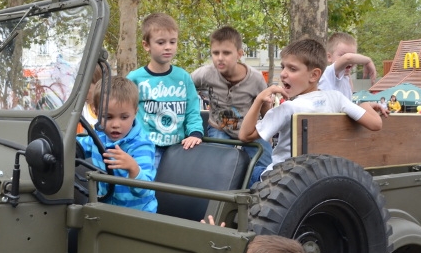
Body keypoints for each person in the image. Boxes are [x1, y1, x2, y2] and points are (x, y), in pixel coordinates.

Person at [239, 39, 383, 176]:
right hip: (320, 174)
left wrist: (258, 100)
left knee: (243, 170)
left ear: (314, 75)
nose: (283, 74)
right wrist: (365, 106)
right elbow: (376, 124)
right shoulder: (337, 98)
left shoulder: (288, 109)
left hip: (280, 178)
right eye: (283, 67)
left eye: (292, 69)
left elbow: (245, 136)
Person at [192, 26, 273, 184]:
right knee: (218, 167)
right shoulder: (204, 74)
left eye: (226, 53)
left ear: (239, 54)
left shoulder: (255, 79)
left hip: (249, 129)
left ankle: (254, 195)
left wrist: (266, 131)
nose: (220, 58)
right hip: (219, 127)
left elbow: (264, 107)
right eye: (215, 53)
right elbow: (186, 88)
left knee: (266, 169)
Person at [126, 13, 203, 167]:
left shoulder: (183, 77)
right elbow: (124, 111)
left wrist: (195, 133)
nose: (168, 47)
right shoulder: (135, 78)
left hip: (177, 146)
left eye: (172, 42)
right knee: (147, 185)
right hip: (145, 146)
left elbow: (192, 109)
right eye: (161, 42)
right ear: (146, 45)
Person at [76, 76, 157, 212]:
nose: (116, 125)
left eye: (124, 117)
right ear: (96, 112)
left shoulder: (141, 146)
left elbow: (144, 191)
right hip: (106, 211)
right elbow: (74, 146)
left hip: (138, 216)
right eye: (108, 117)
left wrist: (133, 169)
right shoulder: (98, 138)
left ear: (135, 113)